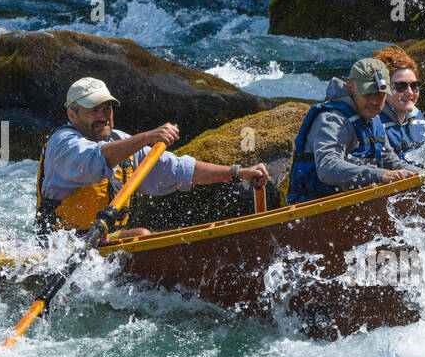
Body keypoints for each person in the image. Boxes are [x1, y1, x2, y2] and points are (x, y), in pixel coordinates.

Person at [35, 77, 268, 240]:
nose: (103, 117)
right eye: (93, 111)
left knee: (141, 236)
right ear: (71, 114)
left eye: (107, 109)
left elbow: (179, 170)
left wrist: (237, 172)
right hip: (58, 246)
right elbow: (95, 162)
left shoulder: (120, 140)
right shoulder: (62, 143)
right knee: (142, 235)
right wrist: (148, 136)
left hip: (102, 243)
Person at [286, 58, 417, 205]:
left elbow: (390, 162)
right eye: (368, 93)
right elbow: (327, 167)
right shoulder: (332, 120)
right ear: (349, 87)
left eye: (380, 94)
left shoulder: (374, 119)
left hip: (351, 207)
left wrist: (423, 174)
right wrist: (381, 175)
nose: (375, 101)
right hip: (313, 208)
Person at [373, 45, 425, 166]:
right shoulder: (372, 121)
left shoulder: (417, 116)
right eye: (401, 86)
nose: (409, 92)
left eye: (414, 85)